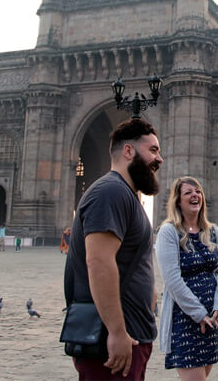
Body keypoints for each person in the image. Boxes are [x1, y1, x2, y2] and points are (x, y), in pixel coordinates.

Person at [64, 117, 163, 380]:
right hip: (113, 341)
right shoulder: (111, 192)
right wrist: (118, 332)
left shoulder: (123, 195)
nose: (160, 159)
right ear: (128, 151)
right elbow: (98, 262)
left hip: (130, 337)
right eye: (153, 150)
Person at [156, 177, 218, 380]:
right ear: (177, 201)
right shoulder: (169, 232)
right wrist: (198, 313)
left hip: (213, 319)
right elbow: (172, 279)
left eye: (197, 191)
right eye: (188, 192)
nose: (194, 195)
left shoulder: (212, 231)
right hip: (186, 319)